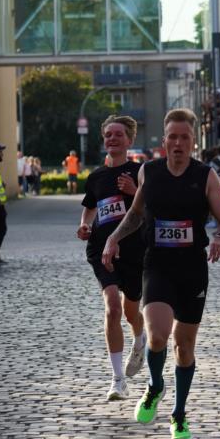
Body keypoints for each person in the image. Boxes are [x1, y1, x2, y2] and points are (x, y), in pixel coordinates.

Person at [102, 108, 220, 439]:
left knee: (184, 347)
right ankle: (155, 386)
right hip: (157, 264)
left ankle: (178, 415)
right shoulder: (150, 172)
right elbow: (135, 215)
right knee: (157, 336)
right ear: (164, 141)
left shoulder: (206, 176)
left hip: (192, 269)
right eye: (172, 137)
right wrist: (114, 238)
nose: (178, 143)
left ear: (193, 141)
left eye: (184, 137)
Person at [77, 115, 147, 401]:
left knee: (131, 312)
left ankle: (140, 340)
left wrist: (135, 191)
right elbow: (90, 209)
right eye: (108, 134)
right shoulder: (96, 177)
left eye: (118, 134)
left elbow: (151, 206)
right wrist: (84, 225)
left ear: (129, 140)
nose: (112, 139)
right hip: (101, 249)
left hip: (134, 250)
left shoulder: (142, 171)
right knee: (112, 309)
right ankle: (118, 379)